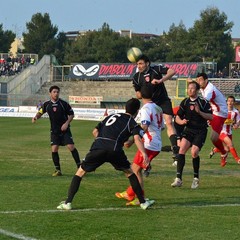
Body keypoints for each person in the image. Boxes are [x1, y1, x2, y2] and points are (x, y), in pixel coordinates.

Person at [57, 98, 155, 210]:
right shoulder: (131, 122)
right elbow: (137, 139)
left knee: (80, 172)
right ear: (137, 111)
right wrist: (144, 154)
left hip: (98, 147)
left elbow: (95, 131)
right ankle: (143, 202)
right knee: (130, 172)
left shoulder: (111, 116)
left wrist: (101, 142)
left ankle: (68, 202)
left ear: (125, 108)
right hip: (114, 150)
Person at [115, 85, 164, 206]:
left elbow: (144, 127)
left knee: (135, 171)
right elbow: (162, 127)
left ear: (141, 95)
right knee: (136, 170)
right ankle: (130, 193)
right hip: (155, 142)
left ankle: (139, 197)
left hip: (149, 144)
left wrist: (132, 140)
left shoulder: (146, 109)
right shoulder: (158, 108)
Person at [132, 55, 179, 163]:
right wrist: (145, 91)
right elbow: (138, 94)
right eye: (137, 64)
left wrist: (160, 80)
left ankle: (175, 147)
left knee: (169, 122)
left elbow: (172, 71)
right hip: (150, 103)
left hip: (163, 100)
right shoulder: (136, 77)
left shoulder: (156, 69)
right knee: (149, 128)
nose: (139, 66)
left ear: (147, 63)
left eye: (141, 63)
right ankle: (147, 158)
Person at [171, 81, 212, 189]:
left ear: (197, 90)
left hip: (200, 131)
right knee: (181, 150)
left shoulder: (203, 102)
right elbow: (178, 117)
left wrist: (200, 112)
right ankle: (178, 179)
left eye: (192, 88)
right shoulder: (185, 102)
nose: (189, 90)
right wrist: (181, 122)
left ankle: (195, 179)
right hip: (189, 130)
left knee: (194, 152)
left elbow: (210, 117)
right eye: (188, 88)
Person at [32, 85, 81, 176]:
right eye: (54, 92)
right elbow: (40, 112)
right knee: (54, 149)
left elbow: (71, 114)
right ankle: (58, 170)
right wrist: (35, 117)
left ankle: (80, 167)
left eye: (57, 92)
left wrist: (66, 123)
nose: (56, 93)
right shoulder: (46, 104)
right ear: (50, 93)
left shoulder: (63, 104)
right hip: (54, 131)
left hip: (65, 130)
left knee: (71, 147)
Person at [196, 72, 228, 167]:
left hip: (219, 113)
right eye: (197, 80)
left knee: (213, 138)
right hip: (213, 111)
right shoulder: (203, 87)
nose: (198, 82)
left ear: (206, 80)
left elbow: (204, 101)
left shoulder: (210, 89)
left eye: (200, 80)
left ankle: (223, 152)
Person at [209, 96, 240, 164]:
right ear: (226, 102)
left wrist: (236, 125)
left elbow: (238, 121)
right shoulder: (223, 110)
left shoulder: (236, 112)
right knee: (230, 144)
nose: (230, 102)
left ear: (234, 102)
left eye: (232, 101)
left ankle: (215, 150)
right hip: (221, 131)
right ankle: (238, 159)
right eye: (229, 101)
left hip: (229, 132)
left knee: (227, 149)